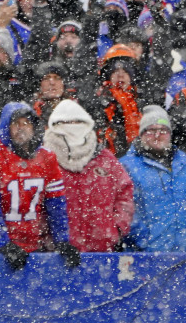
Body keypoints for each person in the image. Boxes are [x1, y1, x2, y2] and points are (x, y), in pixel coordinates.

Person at [0, 102, 80, 270]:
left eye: (26, 123)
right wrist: (4, 244)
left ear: (34, 126)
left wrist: (63, 241)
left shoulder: (47, 157)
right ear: (6, 127)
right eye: (15, 123)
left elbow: (56, 203)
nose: (21, 128)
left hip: (33, 243)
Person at [41, 99, 134, 253]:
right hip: (58, 256)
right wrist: (47, 237)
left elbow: (125, 193)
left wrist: (115, 229)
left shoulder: (105, 159)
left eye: (77, 121)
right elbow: (32, 200)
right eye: (66, 122)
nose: (72, 126)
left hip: (102, 252)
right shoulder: (43, 160)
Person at [119, 106, 186, 252]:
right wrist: (143, 241)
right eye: (151, 130)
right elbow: (125, 211)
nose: (157, 135)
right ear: (141, 134)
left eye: (163, 130)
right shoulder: (126, 166)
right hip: (146, 257)